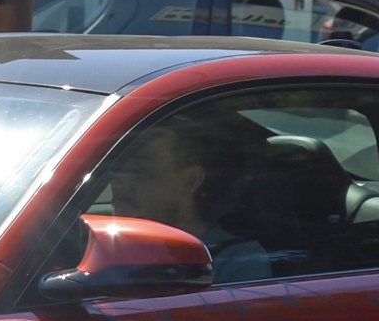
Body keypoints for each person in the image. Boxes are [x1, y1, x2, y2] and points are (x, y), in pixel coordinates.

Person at [101, 113, 271, 285]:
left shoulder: (237, 260)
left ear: (190, 181)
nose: (121, 183)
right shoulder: (101, 246)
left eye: (141, 172)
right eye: (116, 171)